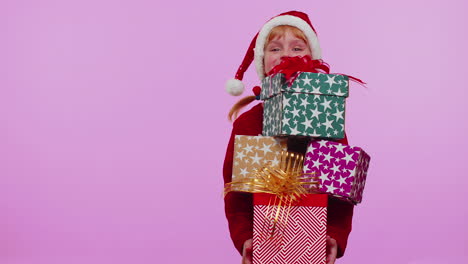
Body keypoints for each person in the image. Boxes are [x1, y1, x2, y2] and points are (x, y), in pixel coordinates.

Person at [223, 11, 354, 264]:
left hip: (313, 242)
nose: (286, 55)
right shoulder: (248, 123)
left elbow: (341, 189)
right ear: (262, 62)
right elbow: (235, 192)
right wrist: (245, 238)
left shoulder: (328, 119)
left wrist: (335, 236)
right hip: (266, 240)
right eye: (275, 48)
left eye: (297, 47)